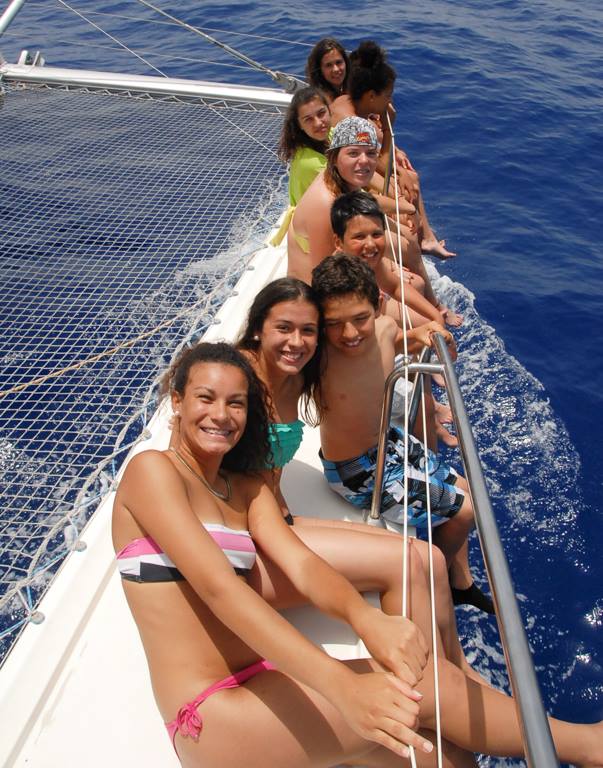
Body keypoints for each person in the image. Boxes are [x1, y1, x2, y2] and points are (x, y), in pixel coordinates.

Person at [113, 341, 603, 767]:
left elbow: (303, 564)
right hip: (210, 713)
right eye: (205, 398)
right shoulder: (152, 472)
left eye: (235, 403)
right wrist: (342, 687)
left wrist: (365, 619)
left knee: (441, 757)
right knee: (428, 690)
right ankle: (587, 746)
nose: (221, 414)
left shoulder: (242, 487)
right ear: (177, 401)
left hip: (263, 680)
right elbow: (220, 589)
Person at [311, 254, 492, 612]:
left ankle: (459, 580)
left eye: (360, 319)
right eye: (334, 324)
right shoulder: (323, 358)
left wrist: (420, 333)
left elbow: (395, 341)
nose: (349, 334)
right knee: (466, 511)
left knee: (467, 487)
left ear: (378, 305)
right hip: (357, 472)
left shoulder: (383, 328)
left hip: (387, 442)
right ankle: (436, 578)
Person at [285, 116, 445, 332]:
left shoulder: (344, 181)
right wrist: (373, 295)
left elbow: (367, 200)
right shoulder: (324, 205)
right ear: (334, 157)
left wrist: (407, 208)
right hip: (316, 297)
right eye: (353, 153)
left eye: (370, 153)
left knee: (416, 284)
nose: (364, 161)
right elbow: (323, 279)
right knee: (425, 325)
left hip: (345, 271)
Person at [330, 190, 458, 447]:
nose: (370, 244)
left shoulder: (367, 263)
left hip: (374, 349)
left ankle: (428, 411)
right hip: (358, 371)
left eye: (376, 235)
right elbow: (365, 347)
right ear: (339, 242)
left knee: (421, 353)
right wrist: (419, 333)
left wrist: (435, 314)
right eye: (359, 237)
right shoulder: (341, 284)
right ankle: (429, 432)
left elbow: (395, 286)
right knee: (419, 404)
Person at [331, 40, 459, 271]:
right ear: (371, 96)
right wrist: (389, 125)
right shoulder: (354, 122)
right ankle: (414, 250)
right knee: (407, 190)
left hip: (354, 169)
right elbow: (382, 165)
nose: (390, 100)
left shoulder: (349, 103)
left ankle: (426, 238)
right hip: (346, 177)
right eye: (388, 95)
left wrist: (397, 157)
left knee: (410, 178)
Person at [278, 86, 331, 207]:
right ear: (299, 125)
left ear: (329, 110)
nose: (318, 123)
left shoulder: (332, 133)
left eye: (321, 113)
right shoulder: (311, 163)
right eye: (308, 119)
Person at [305, 37, 350, 102]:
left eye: (338, 62)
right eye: (328, 65)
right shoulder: (321, 101)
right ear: (320, 70)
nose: (336, 69)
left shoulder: (351, 88)